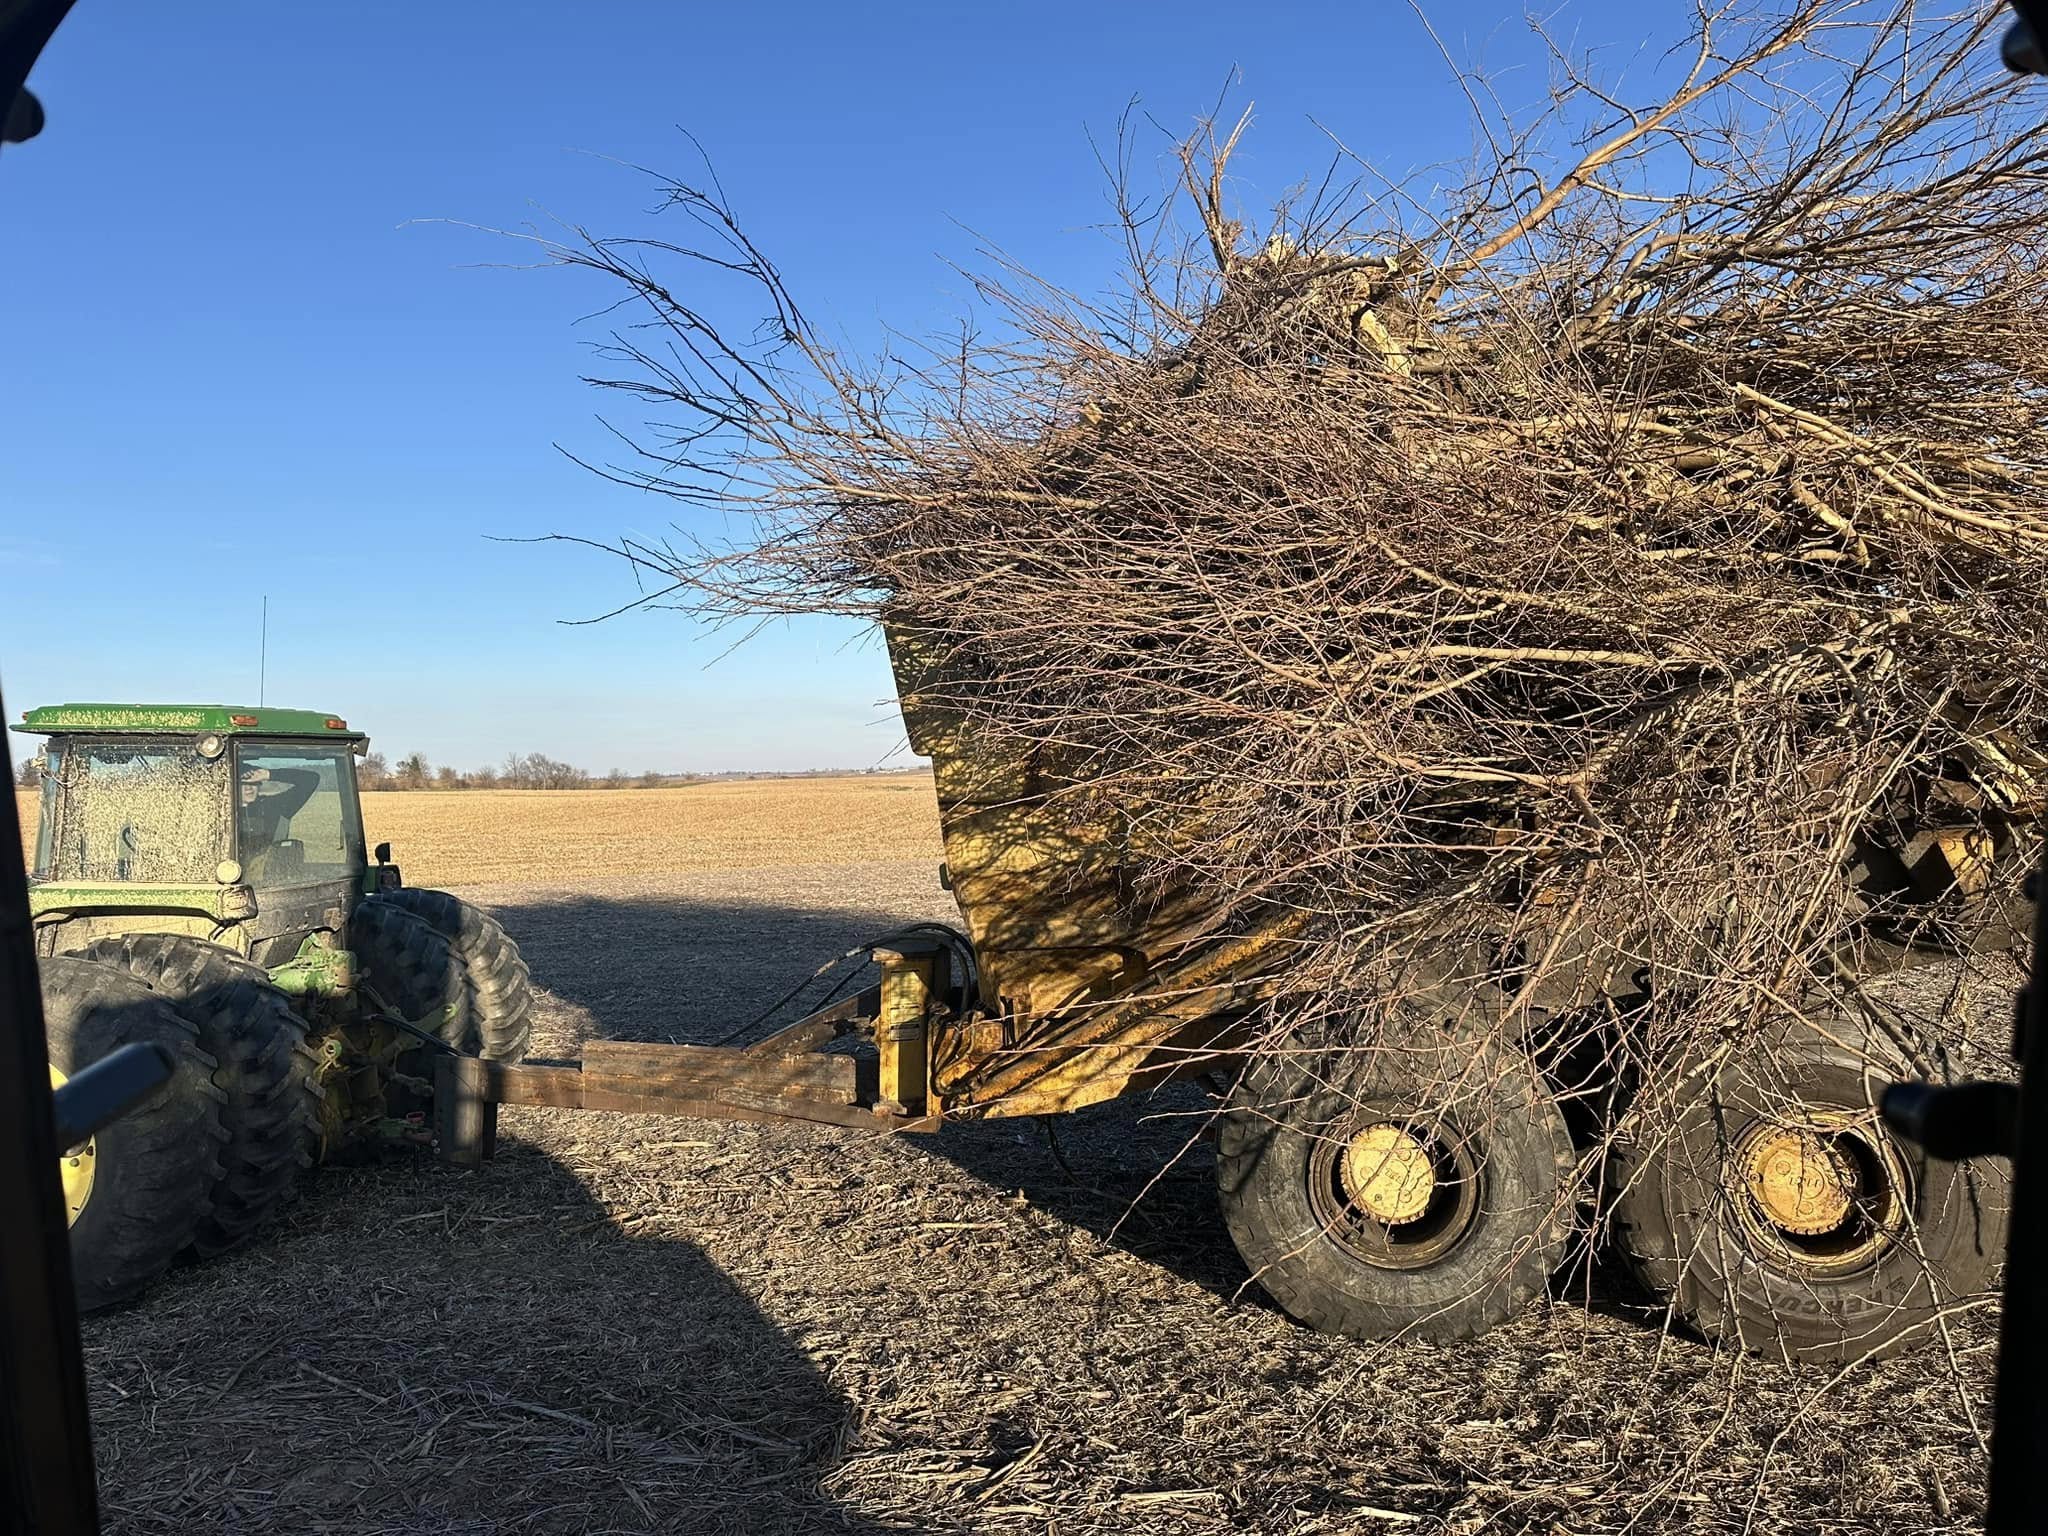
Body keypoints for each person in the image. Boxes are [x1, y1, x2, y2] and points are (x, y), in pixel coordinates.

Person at [238, 764, 320, 881]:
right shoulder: (220, 811)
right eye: (242, 783)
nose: (249, 788)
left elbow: (311, 779)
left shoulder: (275, 806)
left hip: (273, 879)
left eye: (253, 783)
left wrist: (267, 774)